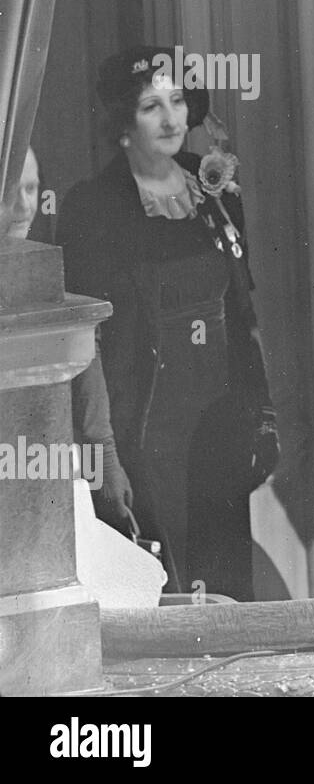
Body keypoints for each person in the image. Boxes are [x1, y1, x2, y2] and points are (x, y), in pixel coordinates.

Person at [56, 47, 278, 599]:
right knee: (170, 590)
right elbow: (86, 338)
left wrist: (263, 414)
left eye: (178, 100)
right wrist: (103, 451)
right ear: (124, 123)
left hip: (220, 424)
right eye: (152, 105)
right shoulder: (93, 208)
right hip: (148, 432)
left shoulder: (216, 195)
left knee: (228, 582)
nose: (172, 117)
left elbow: (242, 314)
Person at [1, 147, 134, 532]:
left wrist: (106, 461)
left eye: (32, 188)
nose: (26, 207)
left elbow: (83, 361)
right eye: (11, 193)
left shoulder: (46, 274)